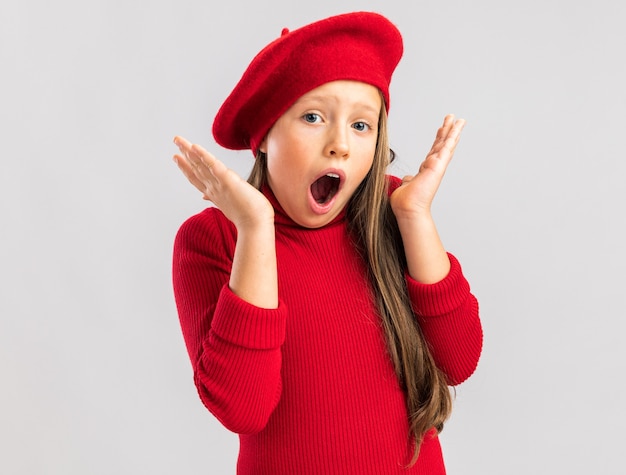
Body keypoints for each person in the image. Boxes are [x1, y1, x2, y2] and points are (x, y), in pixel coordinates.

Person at [171, 11, 482, 475]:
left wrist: (415, 216)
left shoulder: (393, 214)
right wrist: (257, 228)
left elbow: (458, 360)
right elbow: (243, 408)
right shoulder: (213, 240)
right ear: (265, 135)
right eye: (313, 117)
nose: (340, 144)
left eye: (361, 125)